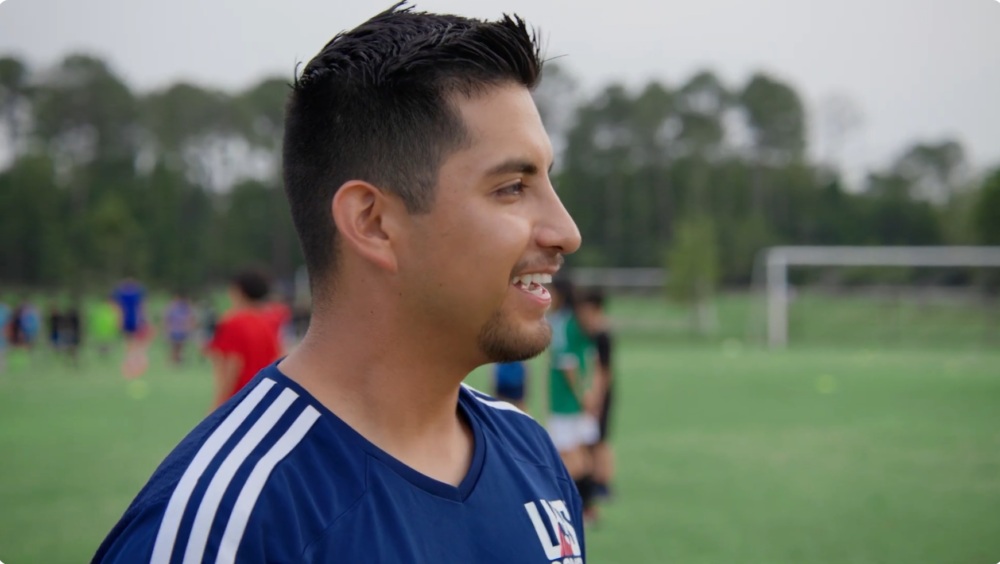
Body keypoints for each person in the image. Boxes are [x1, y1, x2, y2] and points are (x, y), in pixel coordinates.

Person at [93, 4, 585, 562]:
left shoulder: (531, 454)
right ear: (373, 223)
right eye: (512, 187)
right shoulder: (231, 522)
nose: (566, 232)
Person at [547, 278, 599, 521]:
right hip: (572, 400)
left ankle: (581, 507)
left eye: (551, 291)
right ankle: (588, 506)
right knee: (579, 453)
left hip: (566, 402)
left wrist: (581, 394)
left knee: (568, 455)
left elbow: (569, 364)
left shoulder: (563, 323)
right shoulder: (572, 322)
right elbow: (589, 357)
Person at [203, 270, 282, 408]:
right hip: (263, 398)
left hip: (239, 400)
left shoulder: (233, 322)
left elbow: (232, 366)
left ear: (238, 291)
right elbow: (277, 357)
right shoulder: (268, 323)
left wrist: (218, 406)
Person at [576, 288, 616, 500]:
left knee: (600, 438)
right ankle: (596, 480)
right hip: (597, 392)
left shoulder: (602, 335)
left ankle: (604, 482)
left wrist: (597, 398)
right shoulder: (594, 333)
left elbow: (603, 369)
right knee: (595, 437)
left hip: (601, 394)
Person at [113, 278, 150, 378]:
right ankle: (132, 360)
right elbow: (118, 308)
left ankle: (135, 361)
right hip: (129, 321)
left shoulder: (134, 293)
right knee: (130, 342)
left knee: (134, 342)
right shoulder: (124, 293)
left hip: (134, 321)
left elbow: (141, 307)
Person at [164, 293, 197, 365]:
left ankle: (178, 360)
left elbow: (191, 318)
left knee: (181, 346)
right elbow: (167, 319)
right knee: (174, 346)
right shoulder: (171, 307)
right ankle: (173, 360)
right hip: (174, 329)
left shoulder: (186, 307)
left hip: (182, 329)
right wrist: (167, 328)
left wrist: (190, 326)